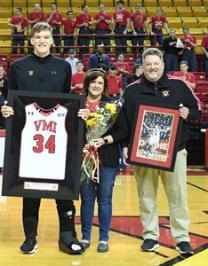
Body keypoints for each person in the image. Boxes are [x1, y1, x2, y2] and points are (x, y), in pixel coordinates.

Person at [1, 22, 84, 255]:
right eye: (37, 36)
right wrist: (7, 110)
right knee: (30, 189)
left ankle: (68, 236)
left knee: (64, 187)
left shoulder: (63, 67)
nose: (41, 40)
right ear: (31, 40)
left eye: (46, 37)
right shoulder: (18, 66)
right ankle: (30, 238)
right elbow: (12, 100)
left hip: (56, 135)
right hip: (28, 136)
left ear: (52, 41)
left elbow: (67, 100)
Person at [122, 48, 200, 256]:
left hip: (175, 153)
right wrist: (125, 147)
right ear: (142, 66)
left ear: (163, 65)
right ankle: (150, 236)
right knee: (146, 196)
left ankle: (182, 238)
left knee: (178, 197)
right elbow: (125, 123)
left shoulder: (179, 86)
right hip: (143, 154)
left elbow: (196, 110)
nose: (152, 67)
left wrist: (188, 113)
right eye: (148, 64)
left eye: (156, 63)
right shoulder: (131, 90)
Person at [77, 69, 127, 253]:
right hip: (84, 159)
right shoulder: (78, 105)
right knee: (87, 200)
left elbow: (123, 132)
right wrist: (77, 120)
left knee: (105, 200)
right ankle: (85, 237)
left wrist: (104, 140)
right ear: (87, 84)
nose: (96, 85)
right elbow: (69, 131)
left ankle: (104, 238)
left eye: (100, 83)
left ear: (104, 86)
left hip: (107, 159)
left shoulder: (111, 107)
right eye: (93, 82)